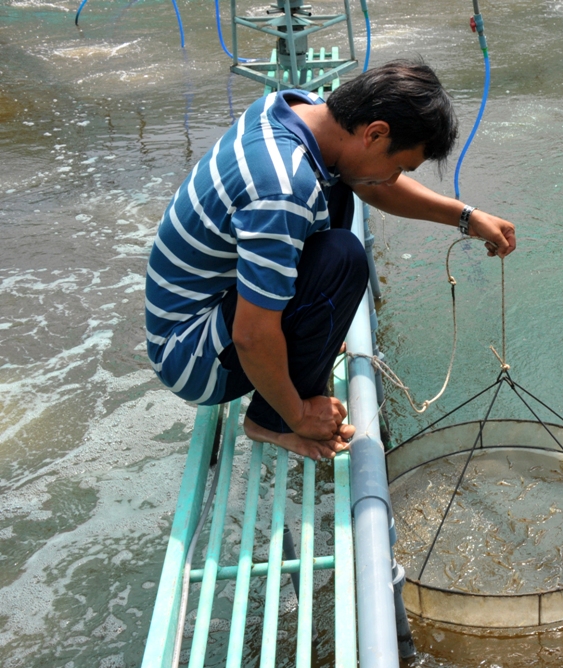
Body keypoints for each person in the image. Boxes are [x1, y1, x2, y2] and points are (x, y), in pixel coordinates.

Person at [144, 60, 516, 461]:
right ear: (375, 133)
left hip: (194, 316)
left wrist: (466, 217)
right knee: (343, 258)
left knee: (338, 189)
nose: (393, 179)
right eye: (400, 167)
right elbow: (250, 337)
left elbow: (367, 181)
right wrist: (298, 414)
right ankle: (270, 421)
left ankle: (304, 341)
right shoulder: (283, 189)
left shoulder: (293, 109)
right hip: (192, 358)